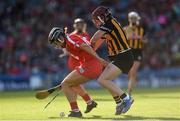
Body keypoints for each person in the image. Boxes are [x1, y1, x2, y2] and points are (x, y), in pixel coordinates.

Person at [48, 27, 106, 117]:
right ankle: (90, 102)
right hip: (90, 65)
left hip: (91, 66)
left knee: (65, 83)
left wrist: (98, 58)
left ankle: (75, 111)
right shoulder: (69, 40)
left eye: (56, 42)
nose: (57, 46)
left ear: (60, 38)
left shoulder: (70, 40)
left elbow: (84, 46)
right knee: (71, 84)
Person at [90, 6, 134, 114]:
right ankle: (119, 103)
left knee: (102, 80)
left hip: (123, 56)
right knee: (106, 80)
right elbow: (95, 45)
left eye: (96, 20)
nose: (95, 23)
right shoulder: (109, 26)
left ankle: (126, 98)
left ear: (102, 18)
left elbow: (94, 39)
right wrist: (88, 51)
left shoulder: (109, 24)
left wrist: (83, 47)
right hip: (121, 57)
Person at [59, 18, 97, 114]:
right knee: (73, 84)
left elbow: (87, 48)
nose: (79, 25)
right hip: (74, 62)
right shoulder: (71, 35)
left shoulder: (86, 35)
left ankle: (86, 104)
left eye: (81, 23)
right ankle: (88, 102)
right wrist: (65, 52)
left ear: (84, 25)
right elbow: (66, 48)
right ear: (74, 25)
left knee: (73, 84)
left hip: (84, 62)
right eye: (77, 23)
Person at [123, 11, 146, 95]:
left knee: (133, 71)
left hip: (137, 51)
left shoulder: (141, 29)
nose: (133, 20)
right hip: (128, 51)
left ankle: (129, 92)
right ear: (129, 19)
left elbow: (145, 40)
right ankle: (133, 82)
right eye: (131, 18)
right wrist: (136, 37)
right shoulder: (126, 29)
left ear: (137, 19)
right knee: (130, 72)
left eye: (134, 18)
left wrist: (141, 38)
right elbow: (125, 39)